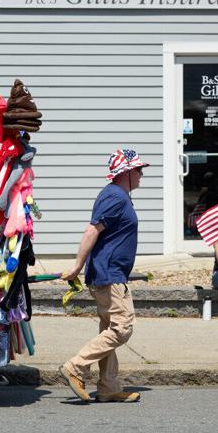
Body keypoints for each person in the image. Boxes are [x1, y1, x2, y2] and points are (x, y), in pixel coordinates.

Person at [59, 148, 148, 404]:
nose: (142, 174)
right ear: (127, 171)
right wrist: (77, 265)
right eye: (139, 169)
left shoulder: (118, 196)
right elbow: (91, 231)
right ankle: (76, 367)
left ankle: (108, 387)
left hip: (111, 272)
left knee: (109, 329)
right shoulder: (115, 197)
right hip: (109, 274)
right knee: (122, 328)